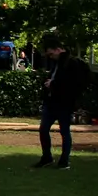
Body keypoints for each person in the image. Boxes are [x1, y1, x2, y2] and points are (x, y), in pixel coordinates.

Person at [34, 33, 89, 170]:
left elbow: (72, 83)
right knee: (44, 129)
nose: (51, 57)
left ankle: (64, 160)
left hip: (64, 103)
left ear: (58, 49)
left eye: (51, 54)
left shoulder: (72, 63)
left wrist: (53, 84)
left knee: (64, 131)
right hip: (52, 101)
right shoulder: (58, 63)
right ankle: (47, 157)